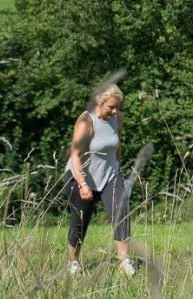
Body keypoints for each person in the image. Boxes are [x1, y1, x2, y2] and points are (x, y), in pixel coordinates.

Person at [64, 83, 135, 277]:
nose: (115, 111)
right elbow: (75, 155)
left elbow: (116, 145)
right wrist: (82, 184)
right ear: (99, 102)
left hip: (110, 174)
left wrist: (118, 167)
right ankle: (74, 262)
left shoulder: (117, 118)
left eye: (117, 107)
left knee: (121, 210)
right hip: (82, 176)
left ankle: (124, 261)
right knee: (80, 220)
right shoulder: (87, 121)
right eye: (110, 107)